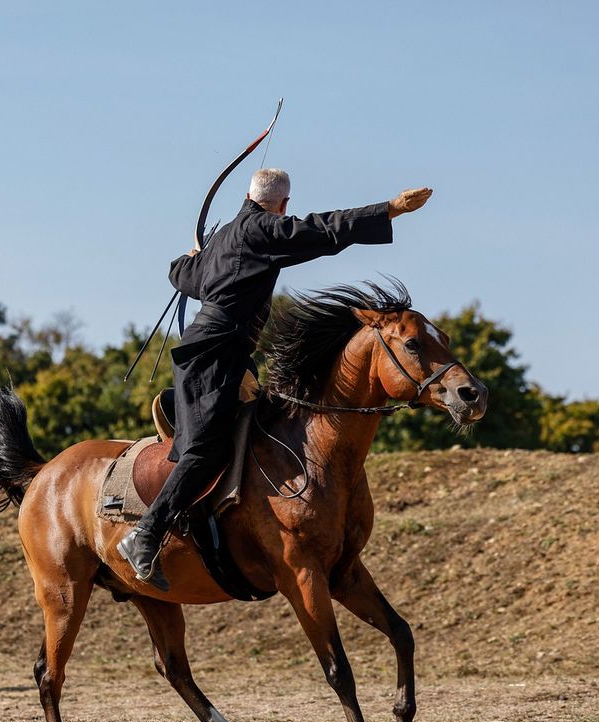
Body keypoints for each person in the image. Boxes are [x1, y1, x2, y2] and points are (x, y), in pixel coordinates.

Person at [117, 169, 433, 590]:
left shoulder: (227, 235)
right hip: (214, 356)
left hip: (221, 354)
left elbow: (183, 278)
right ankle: (145, 536)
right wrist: (390, 209)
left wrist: (192, 256)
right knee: (205, 451)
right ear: (283, 205)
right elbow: (322, 228)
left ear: (249, 194)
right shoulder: (261, 230)